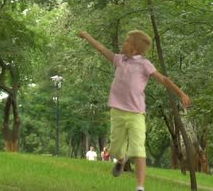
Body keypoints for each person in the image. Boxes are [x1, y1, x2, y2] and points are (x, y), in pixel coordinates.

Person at [77, 30, 190, 191]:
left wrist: (181, 93)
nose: (123, 43)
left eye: (127, 41)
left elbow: (163, 79)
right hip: (117, 112)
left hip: (136, 114)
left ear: (135, 48)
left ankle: (140, 187)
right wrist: (87, 36)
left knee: (138, 149)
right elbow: (101, 49)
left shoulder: (144, 64)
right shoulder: (119, 60)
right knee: (115, 149)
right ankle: (121, 160)